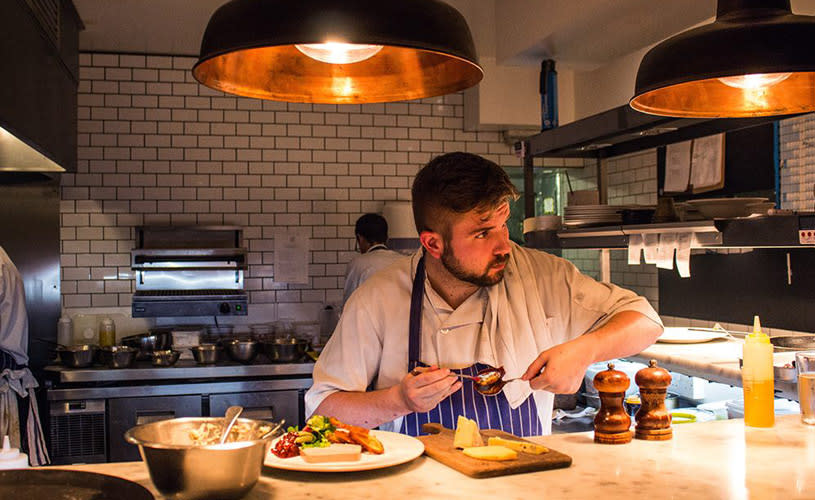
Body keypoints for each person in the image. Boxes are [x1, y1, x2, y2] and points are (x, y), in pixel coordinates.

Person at [306, 152, 663, 436]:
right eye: (482, 233)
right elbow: (323, 412)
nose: (504, 245)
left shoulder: (541, 275)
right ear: (433, 243)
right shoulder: (378, 299)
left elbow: (646, 321)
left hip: (522, 488)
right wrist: (398, 400)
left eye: (504, 225)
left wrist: (585, 349)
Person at [342, 213, 404, 305]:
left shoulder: (357, 264)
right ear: (386, 238)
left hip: (368, 318)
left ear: (360, 238)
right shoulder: (403, 261)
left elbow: (349, 304)